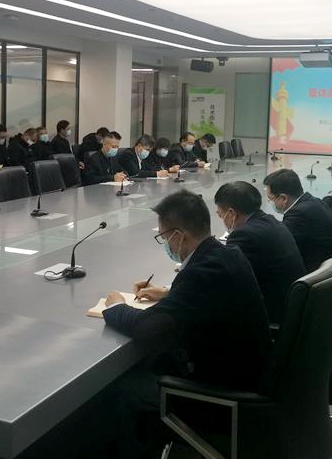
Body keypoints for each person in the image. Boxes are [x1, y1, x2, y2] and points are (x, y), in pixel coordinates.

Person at [101, 191, 272, 455]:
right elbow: (203, 299)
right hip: (249, 372)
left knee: (122, 389)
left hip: (224, 393)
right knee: (156, 361)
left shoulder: (202, 271)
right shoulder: (226, 253)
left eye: (163, 237)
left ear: (178, 236)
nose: (165, 244)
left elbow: (148, 328)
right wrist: (169, 294)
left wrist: (116, 307)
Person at [214, 181, 306, 325]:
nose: (222, 220)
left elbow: (227, 283)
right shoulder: (270, 221)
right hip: (293, 311)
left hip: (273, 320)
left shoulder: (244, 236)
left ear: (231, 213)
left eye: (221, 215)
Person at [263, 168, 332, 272]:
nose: (271, 203)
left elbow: (277, 244)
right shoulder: (313, 202)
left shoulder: (298, 214)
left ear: (284, 198)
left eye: (271, 199)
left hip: (322, 275)